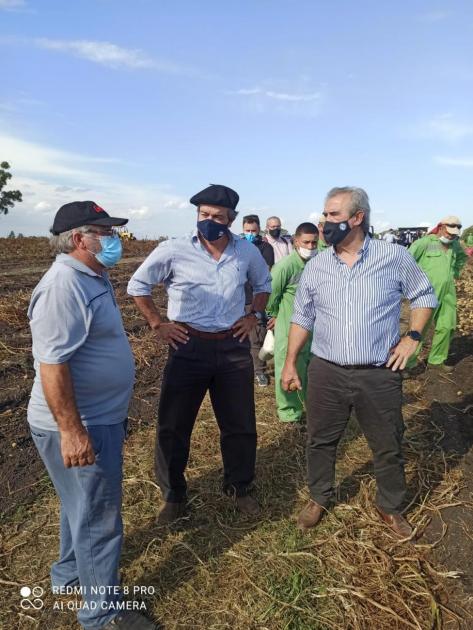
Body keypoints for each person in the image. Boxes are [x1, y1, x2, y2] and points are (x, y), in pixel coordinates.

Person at [27, 201, 156, 630]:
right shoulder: (63, 285)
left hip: (96, 418)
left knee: (77, 505)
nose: (115, 239)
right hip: (81, 423)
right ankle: (103, 615)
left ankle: (68, 576)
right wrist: (72, 431)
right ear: (79, 239)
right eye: (106, 232)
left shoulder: (91, 276)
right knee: (99, 518)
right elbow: (53, 364)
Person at [281, 186, 437, 537]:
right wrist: (291, 362)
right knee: (320, 440)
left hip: (378, 373)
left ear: (357, 218)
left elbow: (423, 295)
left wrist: (412, 337)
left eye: (333, 214)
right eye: (325, 214)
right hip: (326, 370)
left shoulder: (393, 257)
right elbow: (302, 317)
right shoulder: (318, 264)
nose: (325, 221)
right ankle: (319, 497)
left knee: (387, 442)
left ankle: (390, 506)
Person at [127, 185, 271, 524]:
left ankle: (239, 487)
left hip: (233, 347)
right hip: (187, 345)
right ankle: (173, 495)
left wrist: (253, 315)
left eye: (218, 217)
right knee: (174, 425)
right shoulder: (174, 250)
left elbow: (263, 285)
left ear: (231, 220)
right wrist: (157, 324)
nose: (210, 221)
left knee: (239, 424)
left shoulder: (246, 253)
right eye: (204, 215)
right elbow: (138, 285)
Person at [266, 222, 318, 424]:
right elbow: (271, 295)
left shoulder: (317, 264)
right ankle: (289, 412)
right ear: (296, 241)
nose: (311, 247)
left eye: (314, 243)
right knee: (287, 366)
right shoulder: (286, 266)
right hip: (289, 326)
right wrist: (274, 314)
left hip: (313, 328)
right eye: (306, 242)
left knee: (308, 367)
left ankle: (308, 403)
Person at [406, 215, 468, 374]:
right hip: (426, 292)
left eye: (454, 234)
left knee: (447, 326)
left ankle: (437, 359)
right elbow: (406, 261)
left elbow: (462, 258)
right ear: (440, 227)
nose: (451, 236)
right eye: (449, 232)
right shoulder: (426, 243)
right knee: (420, 328)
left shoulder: (455, 245)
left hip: (448, 293)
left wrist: (454, 272)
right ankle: (409, 363)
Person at [241, 214, 274, 387]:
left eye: (253, 231)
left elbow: (263, 274)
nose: (250, 234)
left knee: (256, 336)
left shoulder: (265, 248)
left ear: (259, 229)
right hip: (238, 298)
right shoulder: (237, 247)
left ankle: (259, 371)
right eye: (247, 231)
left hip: (255, 298)